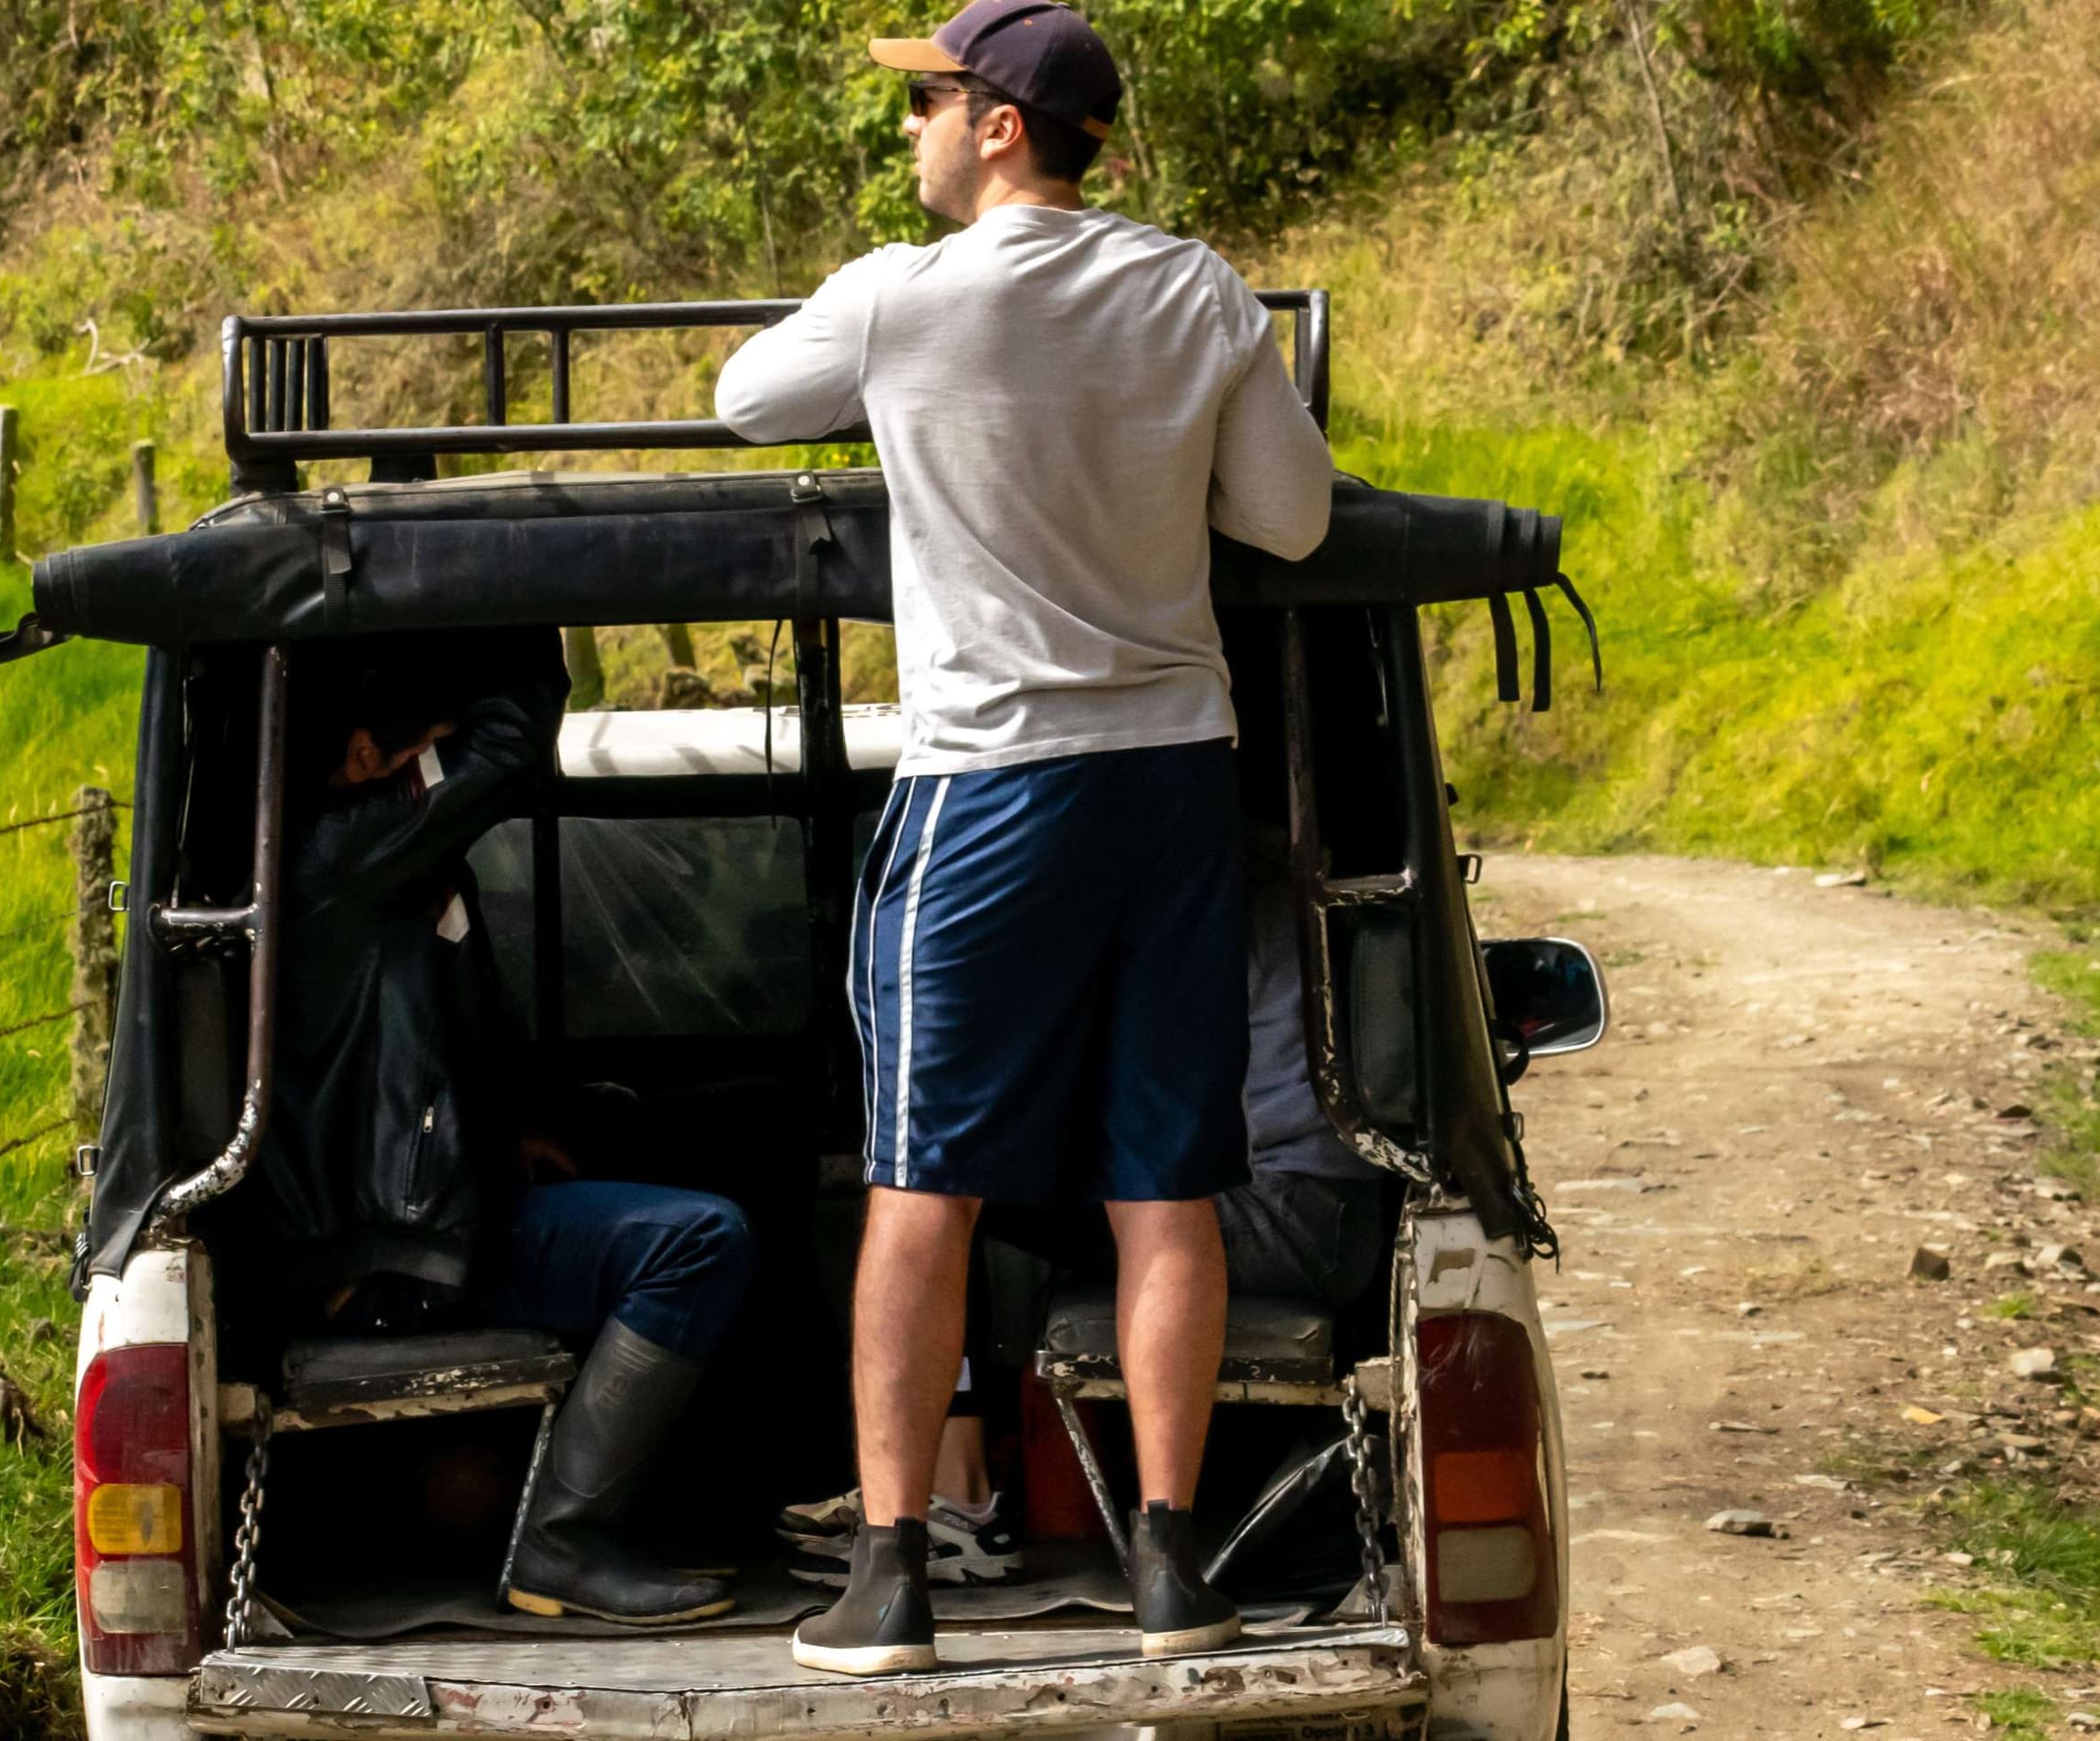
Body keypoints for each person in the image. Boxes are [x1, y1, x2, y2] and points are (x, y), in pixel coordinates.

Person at [715, 0, 1335, 1678]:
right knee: (1168, 1186)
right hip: (1175, 787)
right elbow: (1289, 515)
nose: (904, 129)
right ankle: (1167, 1573)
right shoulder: (1195, 288)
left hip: (992, 787)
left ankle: (895, 1573)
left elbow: (745, 399)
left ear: (997, 126)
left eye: (922, 102)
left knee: (925, 1183)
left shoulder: (903, 300)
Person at [241, 634, 757, 1627]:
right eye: (435, 747)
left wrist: (504, 1125)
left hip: (424, 1214)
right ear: (362, 757)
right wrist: (518, 593)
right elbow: (517, 738)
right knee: (699, 1243)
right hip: (394, 1258)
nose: (450, 773)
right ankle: (562, 1543)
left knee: (722, 1145)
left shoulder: (369, 862)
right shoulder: (340, 847)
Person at [781, 826, 1387, 1587]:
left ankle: (955, 1501)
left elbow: (1125, 1101)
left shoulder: (1202, 910)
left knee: (949, 1199)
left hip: (1281, 1212)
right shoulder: (1262, 887)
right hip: (1333, 1215)